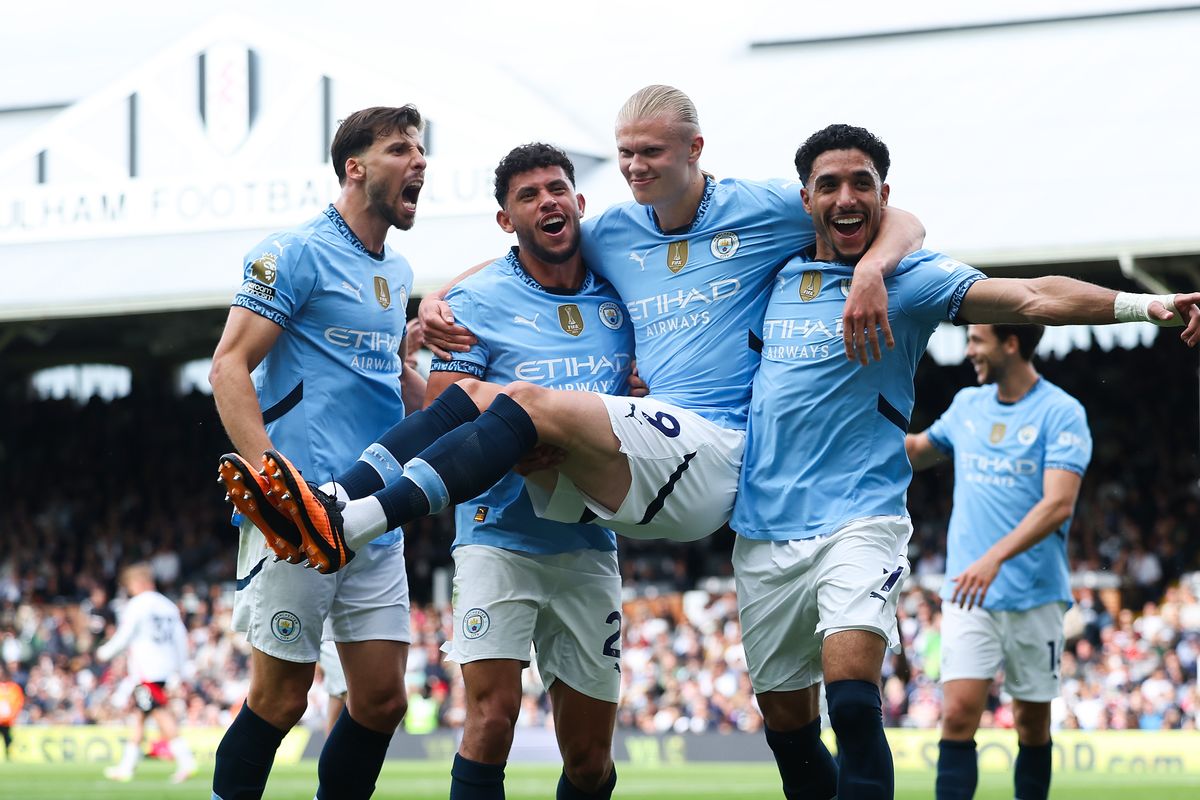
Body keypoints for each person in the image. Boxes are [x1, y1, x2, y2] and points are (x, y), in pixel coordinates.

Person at [223, 86, 925, 572]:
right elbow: (529, 250)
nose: (635, 167)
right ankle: (339, 500)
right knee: (475, 398)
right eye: (626, 153)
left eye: (650, 152)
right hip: (630, 457)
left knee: (520, 399)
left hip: (718, 456)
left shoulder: (773, 206)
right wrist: (443, 294)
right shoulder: (613, 231)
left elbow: (890, 214)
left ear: (695, 148)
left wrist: (872, 271)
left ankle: (351, 523)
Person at [725, 123, 1199, 800]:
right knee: (789, 733)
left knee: (855, 705)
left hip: (860, 520)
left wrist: (1144, 305)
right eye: (828, 184)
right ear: (805, 199)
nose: (846, 196)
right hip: (763, 526)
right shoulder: (769, 276)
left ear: (885, 195)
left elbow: (1034, 296)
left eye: (862, 182)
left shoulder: (911, 282)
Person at [210, 105, 427, 800]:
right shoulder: (294, 251)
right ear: (355, 168)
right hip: (298, 516)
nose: (419, 161)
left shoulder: (398, 270)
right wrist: (278, 486)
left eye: (421, 149)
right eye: (401, 149)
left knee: (382, 701)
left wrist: (464, 388)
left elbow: (389, 382)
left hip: (373, 514)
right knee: (279, 700)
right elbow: (228, 368)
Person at [427, 143, 630, 799]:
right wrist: (508, 446)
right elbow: (439, 408)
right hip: (497, 536)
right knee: (491, 720)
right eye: (528, 195)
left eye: (556, 188)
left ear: (579, 201)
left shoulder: (619, 295)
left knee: (590, 758)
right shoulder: (478, 301)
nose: (547, 200)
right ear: (505, 219)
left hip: (589, 541)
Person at [905, 324, 1090, 800]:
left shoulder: (1062, 411)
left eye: (977, 340)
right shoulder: (968, 404)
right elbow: (920, 451)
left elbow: (1058, 505)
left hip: (1034, 593)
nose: (968, 351)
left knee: (1031, 724)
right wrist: (860, 428)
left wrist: (993, 559)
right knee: (958, 715)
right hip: (969, 591)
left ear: (1011, 344)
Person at [95, 563, 196, 784]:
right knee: (141, 716)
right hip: (164, 669)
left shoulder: (138, 605)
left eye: (130, 585)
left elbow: (124, 635)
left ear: (140, 582)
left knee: (159, 713)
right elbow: (181, 639)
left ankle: (186, 760)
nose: (129, 590)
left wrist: (104, 652)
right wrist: (180, 669)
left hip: (146, 670)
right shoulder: (168, 605)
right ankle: (127, 767)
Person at [0, 665, 24, 761]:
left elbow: (17, 703)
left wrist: (12, 716)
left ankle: (8, 756)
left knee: (8, 739)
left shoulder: (13, 688)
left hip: (7, 721)